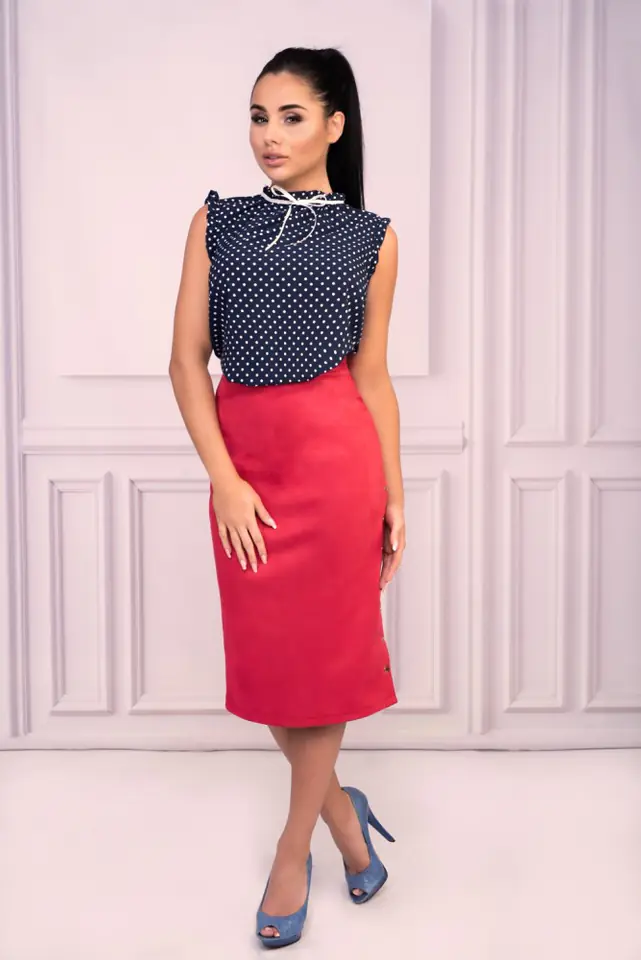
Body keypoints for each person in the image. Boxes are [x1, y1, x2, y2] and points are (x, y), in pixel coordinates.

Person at [169, 45, 406, 949]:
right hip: (249, 472)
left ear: (334, 126)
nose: (269, 135)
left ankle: (292, 849)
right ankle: (345, 812)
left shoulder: (374, 238)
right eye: (259, 117)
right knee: (275, 669)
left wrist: (393, 492)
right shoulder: (215, 223)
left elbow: (372, 376)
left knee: (327, 664)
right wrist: (224, 479)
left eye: (291, 117)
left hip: (339, 470)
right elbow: (185, 363)